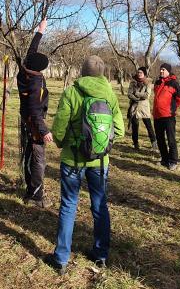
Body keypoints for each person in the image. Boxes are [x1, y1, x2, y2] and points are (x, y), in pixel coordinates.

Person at [46, 55, 124, 274]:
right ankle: (101, 255)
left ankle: (61, 259)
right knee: (99, 206)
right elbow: (120, 130)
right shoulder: (110, 95)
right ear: (102, 73)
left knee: (69, 205)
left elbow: (60, 127)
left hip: (73, 160)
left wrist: (63, 143)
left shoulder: (71, 92)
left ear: (82, 71)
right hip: (100, 162)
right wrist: (102, 143)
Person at [17, 18, 53, 208]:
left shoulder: (24, 71)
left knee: (29, 154)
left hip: (26, 120)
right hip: (34, 125)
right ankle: (36, 196)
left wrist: (40, 31)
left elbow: (31, 52)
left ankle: (30, 189)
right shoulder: (35, 84)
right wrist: (44, 130)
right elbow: (35, 110)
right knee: (38, 159)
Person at [152, 63, 180, 170]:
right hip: (157, 116)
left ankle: (173, 161)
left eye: (163, 69)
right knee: (160, 139)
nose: (161, 71)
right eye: (160, 69)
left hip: (168, 116)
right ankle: (164, 159)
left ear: (168, 71)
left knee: (171, 139)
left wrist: (172, 108)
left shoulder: (174, 83)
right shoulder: (157, 82)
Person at [127, 66, 157, 151]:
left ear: (144, 74)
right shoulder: (133, 82)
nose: (139, 74)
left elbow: (147, 95)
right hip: (134, 107)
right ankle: (136, 144)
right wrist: (137, 98)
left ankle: (154, 144)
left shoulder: (148, 83)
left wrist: (136, 93)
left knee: (149, 126)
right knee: (135, 127)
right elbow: (129, 94)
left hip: (144, 108)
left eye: (141, 73)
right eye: (138, 72)